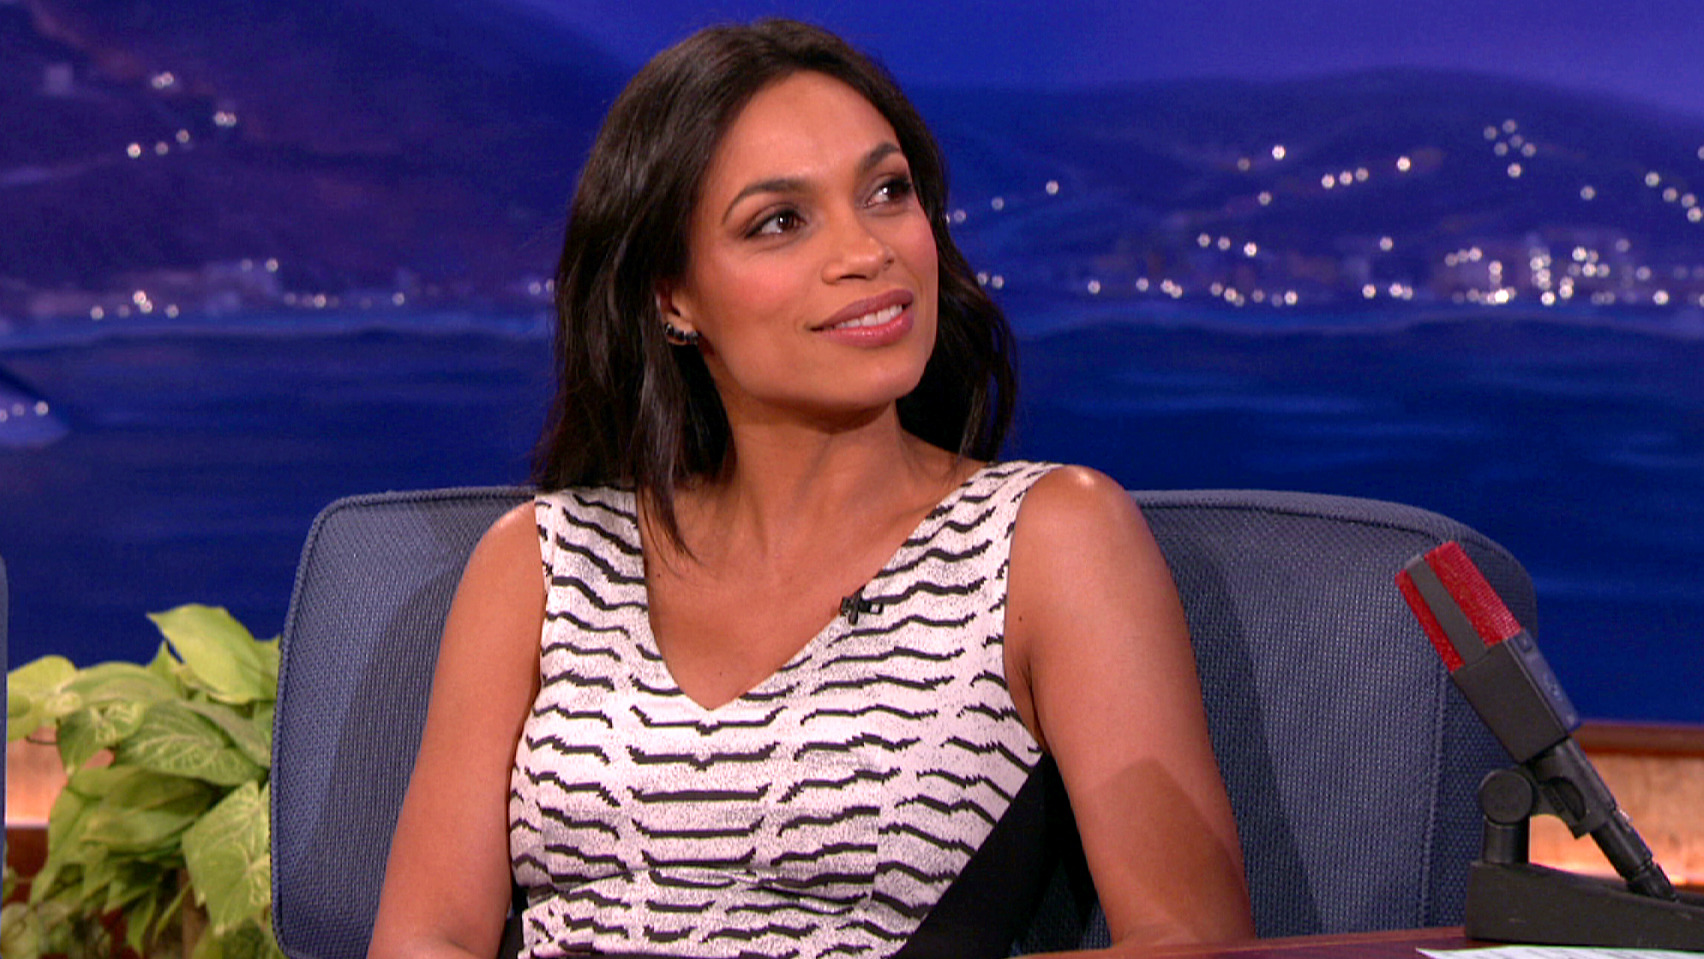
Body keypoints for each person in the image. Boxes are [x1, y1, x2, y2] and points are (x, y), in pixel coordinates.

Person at [368, 19, 1254, 959]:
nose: (866, 250)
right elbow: (427, 936)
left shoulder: (1047, 539)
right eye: (780, 222)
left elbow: (1189, 937)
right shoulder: (543, 562)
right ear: (672, 297)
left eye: (887, 192)